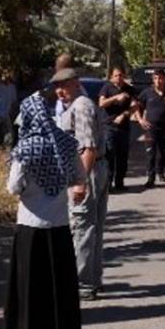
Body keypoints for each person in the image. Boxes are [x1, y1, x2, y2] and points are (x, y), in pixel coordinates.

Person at [4, 93, 87, 329]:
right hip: (59, 223)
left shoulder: (25, 148)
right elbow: (79, 176)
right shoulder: (66, 143)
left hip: (30, 225)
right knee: (57, 284)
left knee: (30, 285)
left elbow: (13, 187)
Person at [53, 68, 109, 301]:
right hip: (93, 169)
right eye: (57, 87)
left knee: (82, 227)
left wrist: (80, 182)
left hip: (87, 170)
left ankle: (82, 284)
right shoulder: (75, 106)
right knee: (91, 228)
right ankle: (92, 280)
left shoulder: (81, 106)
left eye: (64, 85)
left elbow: (88, 148)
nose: (59, 91)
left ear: (76, 84)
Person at [135, 69, 165, 188]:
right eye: (156, 78)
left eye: (160, 78)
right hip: (150, 127)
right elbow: (136, 106)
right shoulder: (147, 93)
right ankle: (150, 178)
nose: (158, 81)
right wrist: (140, 120)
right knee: (150, 153)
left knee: (163, 152)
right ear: (153, 80)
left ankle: (161, 172)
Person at [98, 67, 136, 192]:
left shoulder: (129, 89)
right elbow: (101, 103)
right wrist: (115, 98)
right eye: (116, 75)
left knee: (122, 156)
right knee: (109, 155)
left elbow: (135, 106)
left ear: (124, 76)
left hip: (124, 127)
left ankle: (120, 183)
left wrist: (125, 114)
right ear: (111, 77)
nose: (118, 78)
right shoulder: (107, 88)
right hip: (109, 126)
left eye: (120, 75)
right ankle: (108, 184)